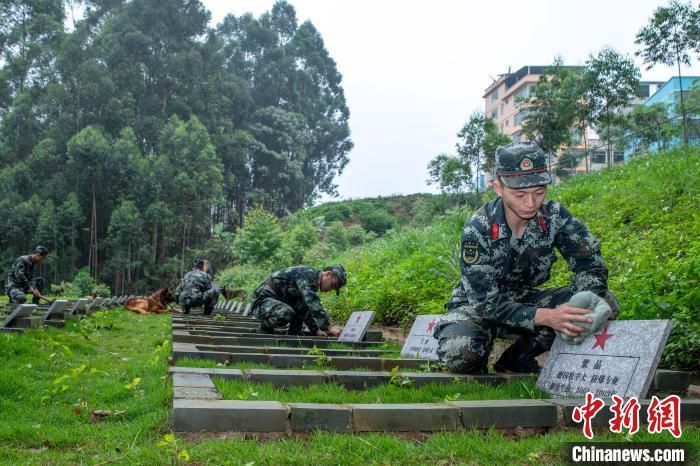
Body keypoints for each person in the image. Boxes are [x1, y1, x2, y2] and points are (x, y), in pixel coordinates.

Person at [434, 142, 620, 374]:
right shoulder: (479, 228)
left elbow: (590, 264)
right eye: (520, 194)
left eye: (539, 192)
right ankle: (479, 350)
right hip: (478, 307)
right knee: (460, 353)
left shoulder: (554, 216)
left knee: (603, 302)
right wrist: (548, 317)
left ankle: (518, 357)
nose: (531, 203)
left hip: (525, 300)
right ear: (498, 188)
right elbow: (485, 303)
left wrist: (581, 302)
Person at [251, 264, 346, 336]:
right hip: (261, 302)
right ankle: (264, 328)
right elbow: (312, 303)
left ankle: (293, 334)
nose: (330, 290)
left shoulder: (311, 282)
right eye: (332, 285)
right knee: (285, 312)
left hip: (275, 302)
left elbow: (305, 308)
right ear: (328, 274)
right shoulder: (308, 274)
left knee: (300, 307)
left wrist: (316, 330)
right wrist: (329, 327)